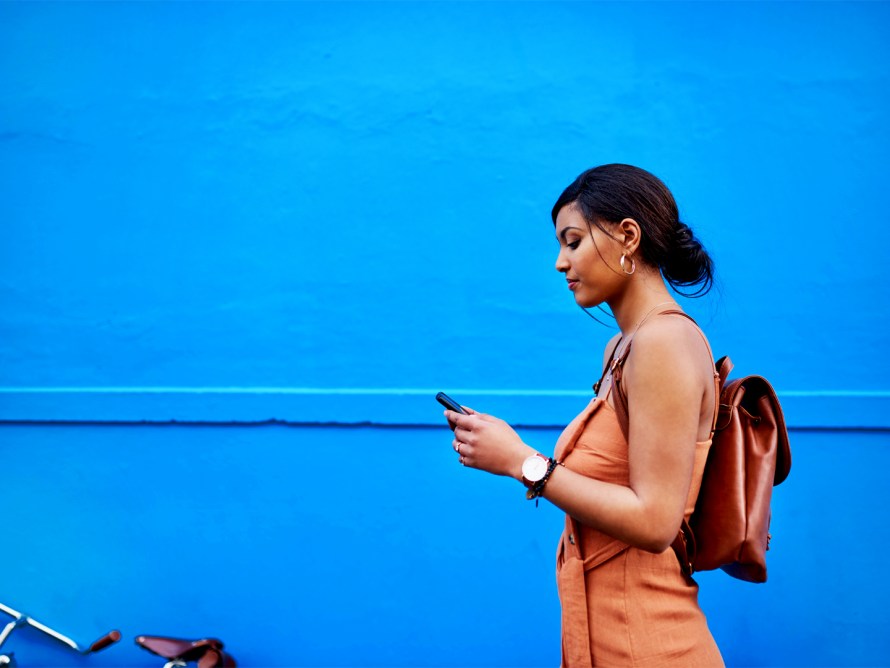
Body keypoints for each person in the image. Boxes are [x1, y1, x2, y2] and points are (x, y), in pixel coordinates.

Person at [443, 164, 724, 667]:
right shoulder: (621, 348)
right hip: (603, 641)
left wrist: (523, 462)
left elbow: (656, 520)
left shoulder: (664, 342)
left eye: (572, 242)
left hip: (649, 645)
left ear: (628, 236)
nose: (559, 262)